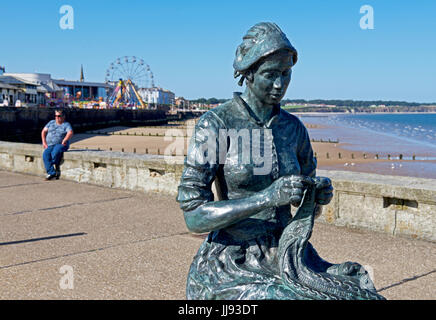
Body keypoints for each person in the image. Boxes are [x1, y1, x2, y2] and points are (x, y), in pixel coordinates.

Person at [177, 23, 381, 300]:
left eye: (286, 74)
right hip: (232, 261)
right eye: (270, 74)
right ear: (247, 74)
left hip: (289, 254)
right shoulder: (215, 125)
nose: (279, 84)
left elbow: (304, 209)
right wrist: (266, 198)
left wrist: (315, 199)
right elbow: (194, 218)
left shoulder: (294, 129)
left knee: (360, 289)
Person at [41, 110, 73, 180]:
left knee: (55, 153)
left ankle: (53, 167)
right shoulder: (51, 122)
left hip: (61, 144)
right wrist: (44, 142)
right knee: (45, 155)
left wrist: (65, 139)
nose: (57, 117)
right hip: (50, 145)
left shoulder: (66, 124)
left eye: (59, 116)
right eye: (55, 116)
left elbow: (70, 132)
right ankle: (51, 173)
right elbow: (43, 131)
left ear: (63, 116)